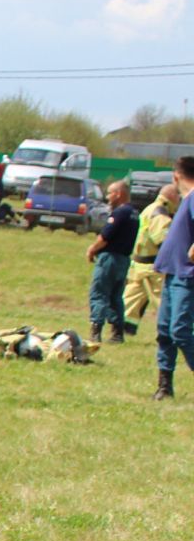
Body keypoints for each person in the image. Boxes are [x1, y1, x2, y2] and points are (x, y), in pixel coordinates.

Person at [149, 155, 194, 399]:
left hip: (187, 276)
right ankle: (164, 386)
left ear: (176, 176)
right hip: (173, 274)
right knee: (165, 331)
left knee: (180, 331)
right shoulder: (187, 200)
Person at [85, 179, 137, 345]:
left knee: (99, 294)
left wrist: (92, 249)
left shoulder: (120, 213)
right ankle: (117, 333)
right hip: (123, 260)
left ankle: (95, 331)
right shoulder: (135, 214)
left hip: (109, 259)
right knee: (116, 297)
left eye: (110, 193)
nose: (108, 197)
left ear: (119, 194)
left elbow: (106, 236)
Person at [125, 180, 180, 329]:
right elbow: (163, 240)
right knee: (164, 301)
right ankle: (172, 332)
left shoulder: (149, 208)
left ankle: (120, 331)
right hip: (153, 268)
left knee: (131, 300)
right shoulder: (160, 213)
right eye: (179, 196)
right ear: (172, 196)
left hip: (138, 265)